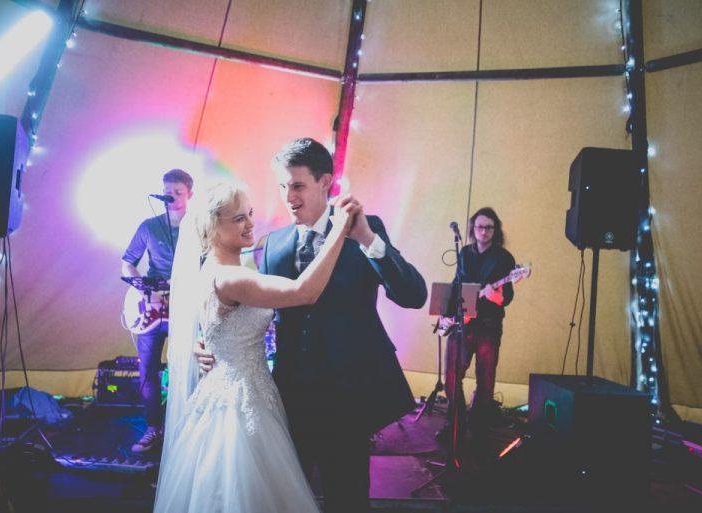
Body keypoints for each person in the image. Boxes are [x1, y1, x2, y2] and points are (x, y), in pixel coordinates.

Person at [199, 138, 428, 513]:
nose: (288, 197)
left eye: (297, 185)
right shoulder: (273, 243)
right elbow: (240, 303)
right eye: (281, 186)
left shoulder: (363, 229)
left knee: (348, 498)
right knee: (288, 497)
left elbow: (413, 295)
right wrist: (208, 341)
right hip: (287, 399)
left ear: (326, 182)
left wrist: (367, 238)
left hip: (349, 396)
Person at [153, 179, 357, 512]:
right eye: (238, 219)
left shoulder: (221, 271)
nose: (250, 224)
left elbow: (218, 325)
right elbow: (304, 292)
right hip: (239, 401)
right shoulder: (230, 277)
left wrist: (207, 342)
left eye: (249, 214)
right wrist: (339, 230)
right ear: (213, 226)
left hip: (235, 388)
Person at [121, 168, 194, 452]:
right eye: (168, 191)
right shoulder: (148, 226)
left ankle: (181, 429)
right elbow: (127, 261)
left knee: (184, 368)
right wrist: (139, 286)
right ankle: (153, 427)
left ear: (190, 194)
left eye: (178, 192)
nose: (171, 197)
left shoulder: (199, 226)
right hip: (151, 305)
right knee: (147, 369)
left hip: (185, 305)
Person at [441, 207, 516, 437]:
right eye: (480, 226)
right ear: (473, 228)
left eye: (489, 227)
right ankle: (455, 425)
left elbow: (508, 296)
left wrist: (497, 297)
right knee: (452, 375)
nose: (484, 231)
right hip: (462, 323)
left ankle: (479, 428)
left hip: (488, 325)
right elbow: (457, 283)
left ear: (496, 230)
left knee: (485, 379)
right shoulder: (464, 252)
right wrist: (446, 312)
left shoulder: (504, 258)